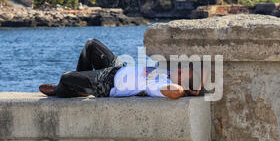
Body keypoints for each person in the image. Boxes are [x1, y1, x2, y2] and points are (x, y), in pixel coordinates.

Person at [39, 39, 202, 99]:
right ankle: (78, 90)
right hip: (116, 68)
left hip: (107, 84)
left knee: (66, 77)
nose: (178, 69)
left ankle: (64, 89)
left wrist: (184, 91)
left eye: (181, 73)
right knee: (91, 45)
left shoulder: (160, 87)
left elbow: (174, 92)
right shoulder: (166, 72)